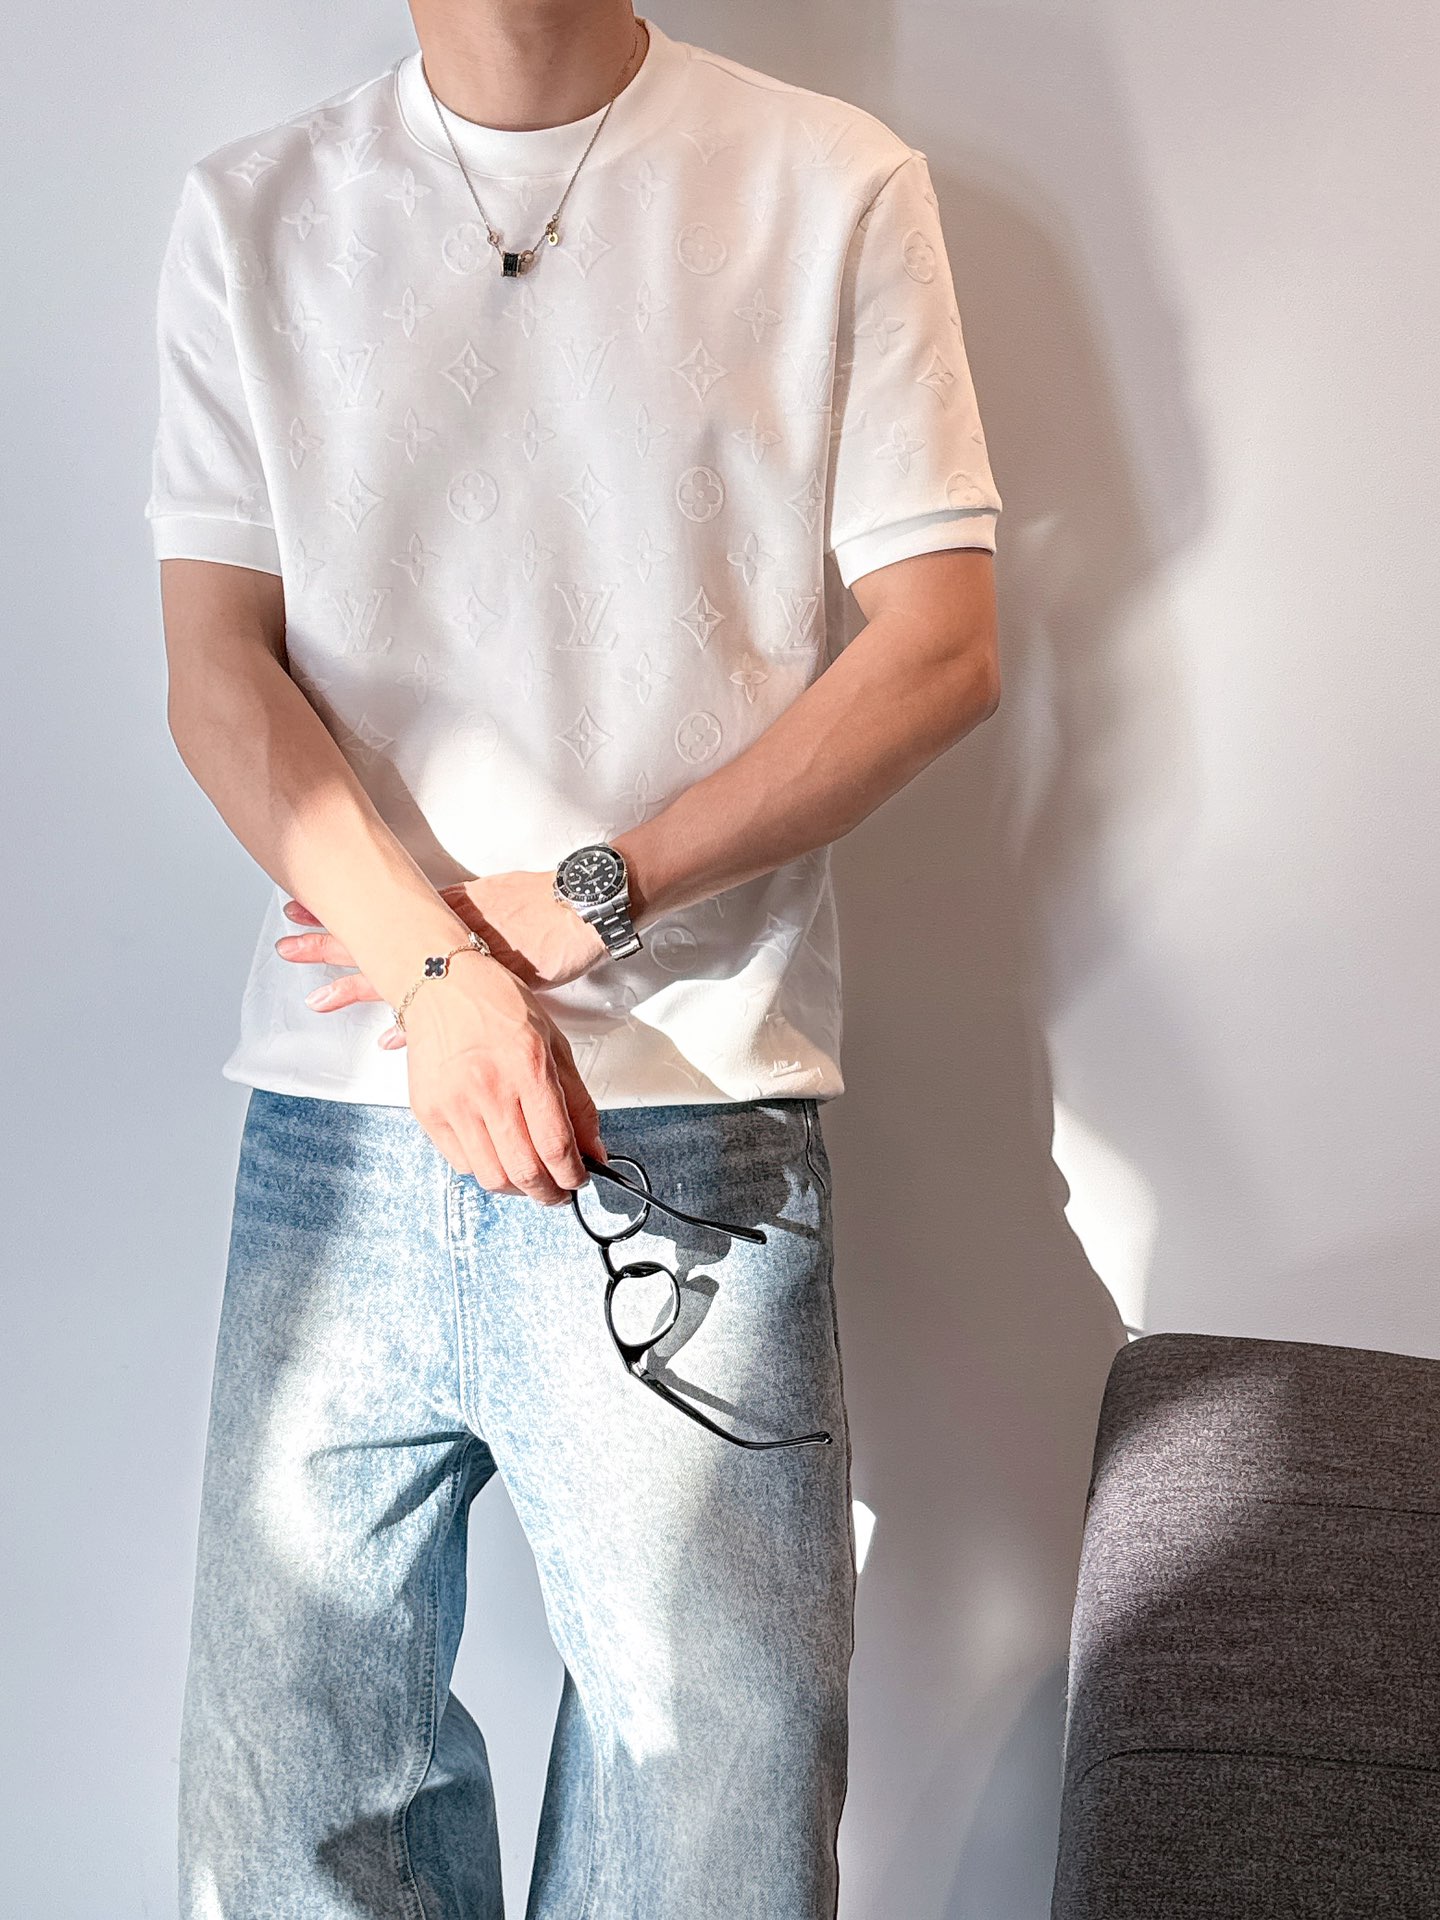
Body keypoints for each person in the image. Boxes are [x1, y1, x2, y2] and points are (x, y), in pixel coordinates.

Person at [146, 3, 1003, 1914]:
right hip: (343, 1127)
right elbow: (215, 670)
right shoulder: (257, 210)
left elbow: (941, 647)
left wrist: (597, 892)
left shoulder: (830, 184)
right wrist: (441, 981)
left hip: (689, 1121)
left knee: (712, 1848)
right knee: (287, 1836)